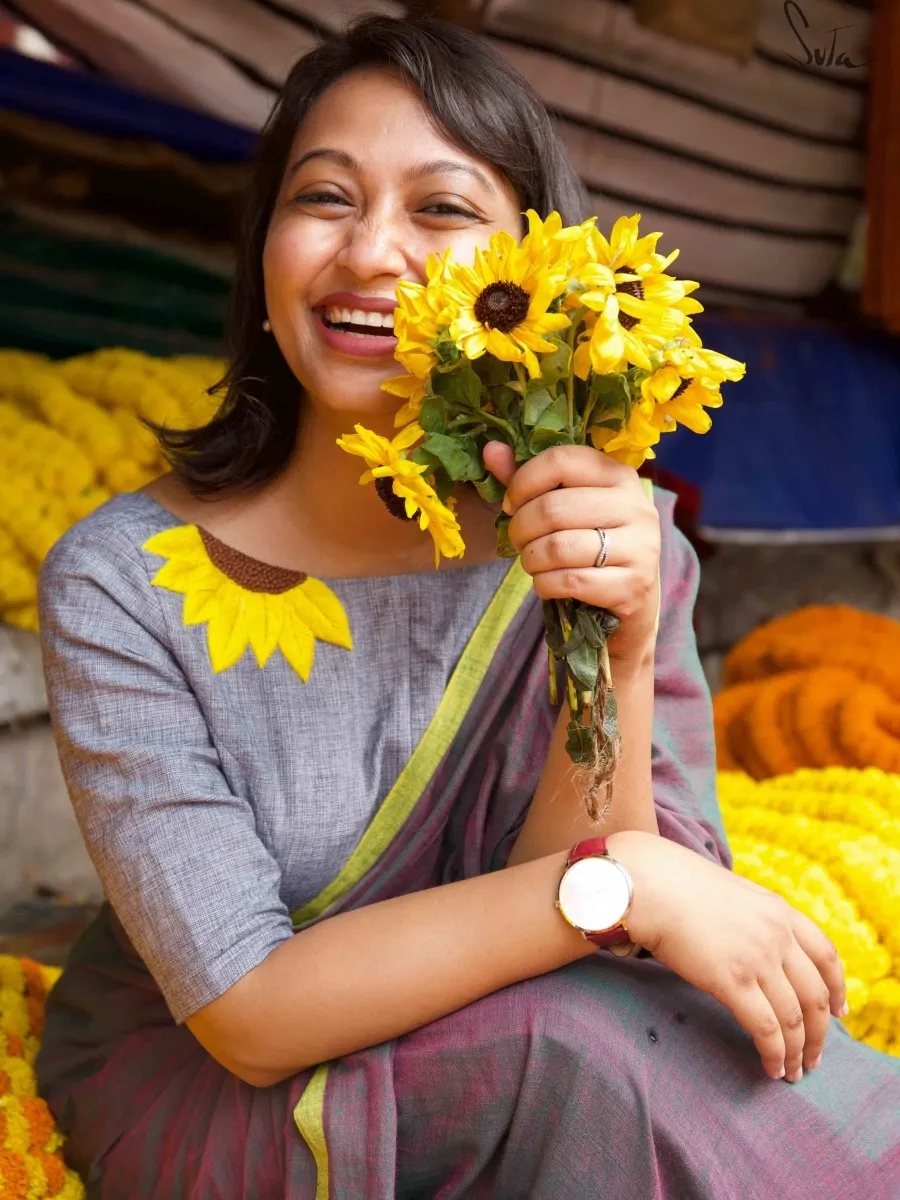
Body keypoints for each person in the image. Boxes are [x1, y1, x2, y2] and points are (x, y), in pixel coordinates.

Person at [36, 15, 898, 1200]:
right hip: (223, 1085)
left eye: (441, 210)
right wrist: (620, 882)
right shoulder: (124, 583)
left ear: (534, 278)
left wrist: (620, 637)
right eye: (324, 197)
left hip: (536, 1023)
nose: (371, 251)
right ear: (265, 246)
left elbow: (592, 938)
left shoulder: (611, 536)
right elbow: (248, 1010)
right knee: (586, 1056)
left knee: (650, 1040)